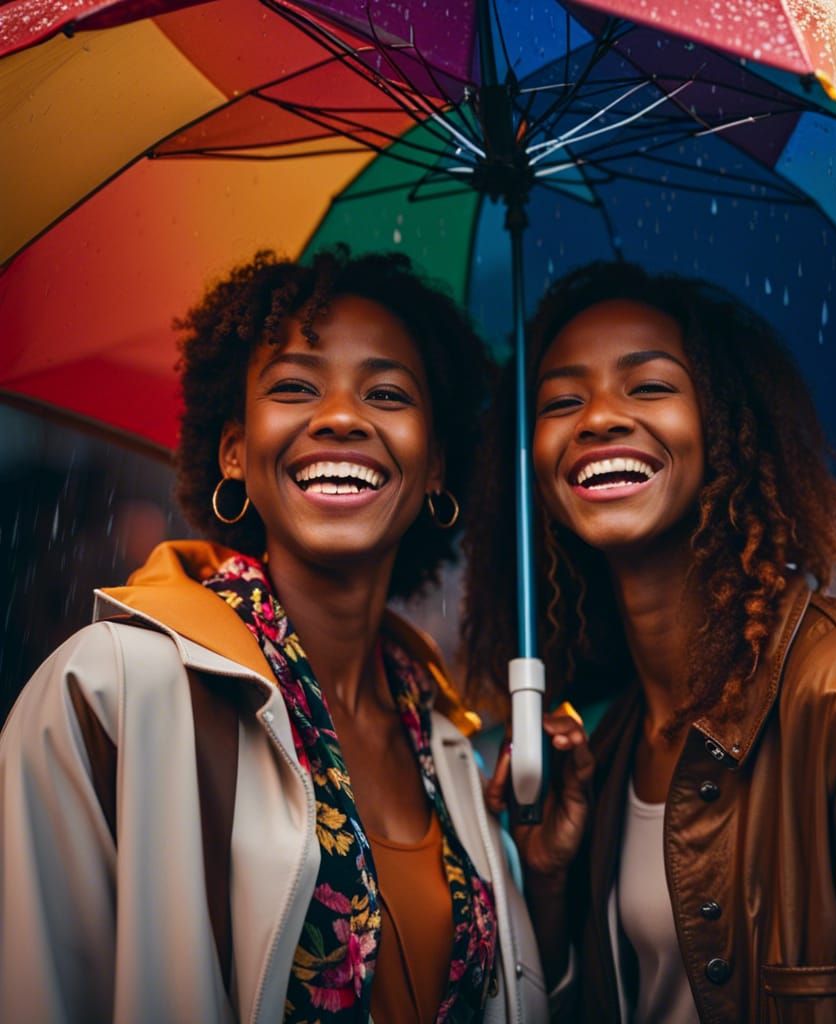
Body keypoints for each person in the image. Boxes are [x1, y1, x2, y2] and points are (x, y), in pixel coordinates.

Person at [463, 261, 836, 1023]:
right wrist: (554, 891)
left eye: (649, 386)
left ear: (728, 425)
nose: (597, 417)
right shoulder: (616, 744)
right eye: (561, 399)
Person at [0, 248, 546, 1024]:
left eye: (387, 392)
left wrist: (547, 883)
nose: (342, 416)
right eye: (295, 386)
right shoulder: (106, 692)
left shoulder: (448, 743)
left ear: (436, 469)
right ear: (234, 450)